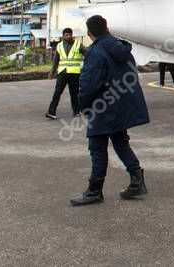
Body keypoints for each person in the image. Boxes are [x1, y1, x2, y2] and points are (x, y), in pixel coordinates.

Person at [71, 15, 150, 206]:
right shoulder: (122, 48)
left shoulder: (95, 52)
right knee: (120, 142)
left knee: (97, 147)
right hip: (120, 105)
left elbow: (89, 84)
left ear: (89, 33)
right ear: (107, 28)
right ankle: (136, 179)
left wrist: (83, 105)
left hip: (103, 106)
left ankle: (94, 190)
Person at [46, 28, 84, 119]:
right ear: (63, 36)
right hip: (63, 72)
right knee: (57, 92)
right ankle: (51, 112)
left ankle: (76, 111)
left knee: (74, 93)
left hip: (74, 73)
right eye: (67, 35)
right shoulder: (59, 46)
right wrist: (52, 73)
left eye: (70, 35)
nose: (69, 36)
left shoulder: (78, 44)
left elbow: (87, 54)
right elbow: (56, 61)